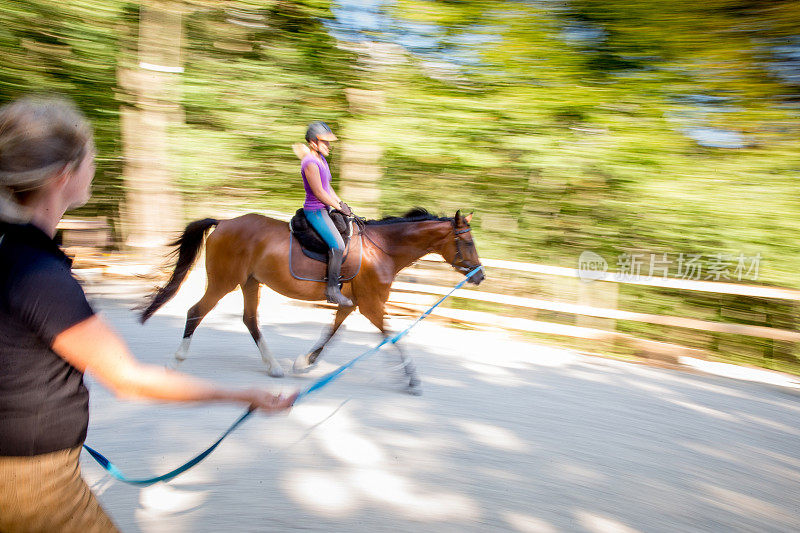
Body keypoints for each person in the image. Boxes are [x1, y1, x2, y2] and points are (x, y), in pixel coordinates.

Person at [0, 95, 296, 533]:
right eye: (91, 160)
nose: (94, 170)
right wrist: (244, 395)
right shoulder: (41, 276)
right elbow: (129, 380)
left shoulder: (13, 250)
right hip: (32, 482)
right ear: (64, 175)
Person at [294, 121, 354, 307]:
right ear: (313, 143)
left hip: (326, 208)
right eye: (324, 142)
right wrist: (337, 207)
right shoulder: (310, 162)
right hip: (315, 211)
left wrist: (340, 203)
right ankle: (332, 290)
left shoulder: (322, 160)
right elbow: (319, 192)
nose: (328, 146)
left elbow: (328, 187)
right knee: (337, 245)